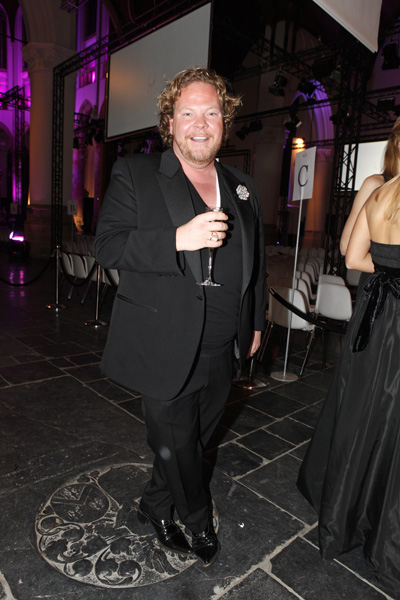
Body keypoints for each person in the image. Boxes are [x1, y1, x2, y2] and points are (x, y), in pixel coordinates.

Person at [94, 66, 266, 567]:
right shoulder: (136, 172)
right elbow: (108, 246)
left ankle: (154, 503)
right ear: (170, 122)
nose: (200, 123)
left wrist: (255, 322)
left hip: (223, 342)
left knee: (194, 439)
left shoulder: (241, 186)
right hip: (163, 339)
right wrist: (177, 239)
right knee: (176, 440)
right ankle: (195, 518)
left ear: (224, 121)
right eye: (188, 113)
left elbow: (254, 265)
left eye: (211, 113)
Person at [297, 173, 400, 596]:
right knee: (390, 420)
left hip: (376, 314)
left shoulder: (378, 191)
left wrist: (391, 268)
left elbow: (353, 257)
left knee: (361, 408)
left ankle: (344, 509)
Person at [340, 116, 400, 256]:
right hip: (377, 269)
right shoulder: (375, 184)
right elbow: (345, 247)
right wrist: (390, 265)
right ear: (397, 143)